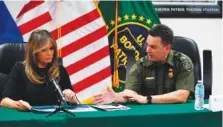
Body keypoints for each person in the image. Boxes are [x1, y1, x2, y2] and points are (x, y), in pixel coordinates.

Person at [94, 24, 194, 104]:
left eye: (153, 47)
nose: (147, 50)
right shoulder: (140, 65)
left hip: (178, 115)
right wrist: (116, 97)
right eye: (147, 45)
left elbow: (182, 96)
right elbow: (130, 93)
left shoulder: (182, 62)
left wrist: (147, 99)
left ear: (167, 48)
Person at [0, 30, 79, 110]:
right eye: (44, 50)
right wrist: (17, 104)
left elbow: (73, 102)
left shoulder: (60, 70)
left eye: (51, 48)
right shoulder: (20, 69)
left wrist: (72, 99)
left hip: (56, 118)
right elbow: (4, 101)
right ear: (34, 52)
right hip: (30, 117)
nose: (49, 53)